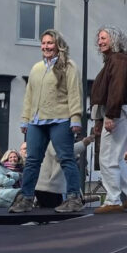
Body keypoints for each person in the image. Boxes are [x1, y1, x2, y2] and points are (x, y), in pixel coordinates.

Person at [12, 29, 83, 214]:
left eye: (50, 43)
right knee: (32, 161)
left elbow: (75, 92)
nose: (46, 47)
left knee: (66, 158)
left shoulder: (69, 66)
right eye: (43, 43)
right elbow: (29, 96)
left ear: (58, 45)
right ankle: (26, 198)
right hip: (37, 121)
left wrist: (75, 118)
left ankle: (74, 198)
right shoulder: (36, 68)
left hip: (60, 118)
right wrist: (25, 120)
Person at [90, 25, 127, 214]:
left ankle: (113, 199)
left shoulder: (118, 60)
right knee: (115, 157)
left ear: (114, 39)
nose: (100, 41)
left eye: (104, 38)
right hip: (125, 111)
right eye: (99, 38)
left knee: (107, 157)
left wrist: (110, 115)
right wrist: (100, 120)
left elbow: (116, 88)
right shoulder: (115, 61)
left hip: (121, 111)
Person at [37, 137, 92, 209]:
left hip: (51, 186)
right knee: (52, 215)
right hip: (49, 187)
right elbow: (60, 154)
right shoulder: (55, 137)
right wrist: (83, 144)